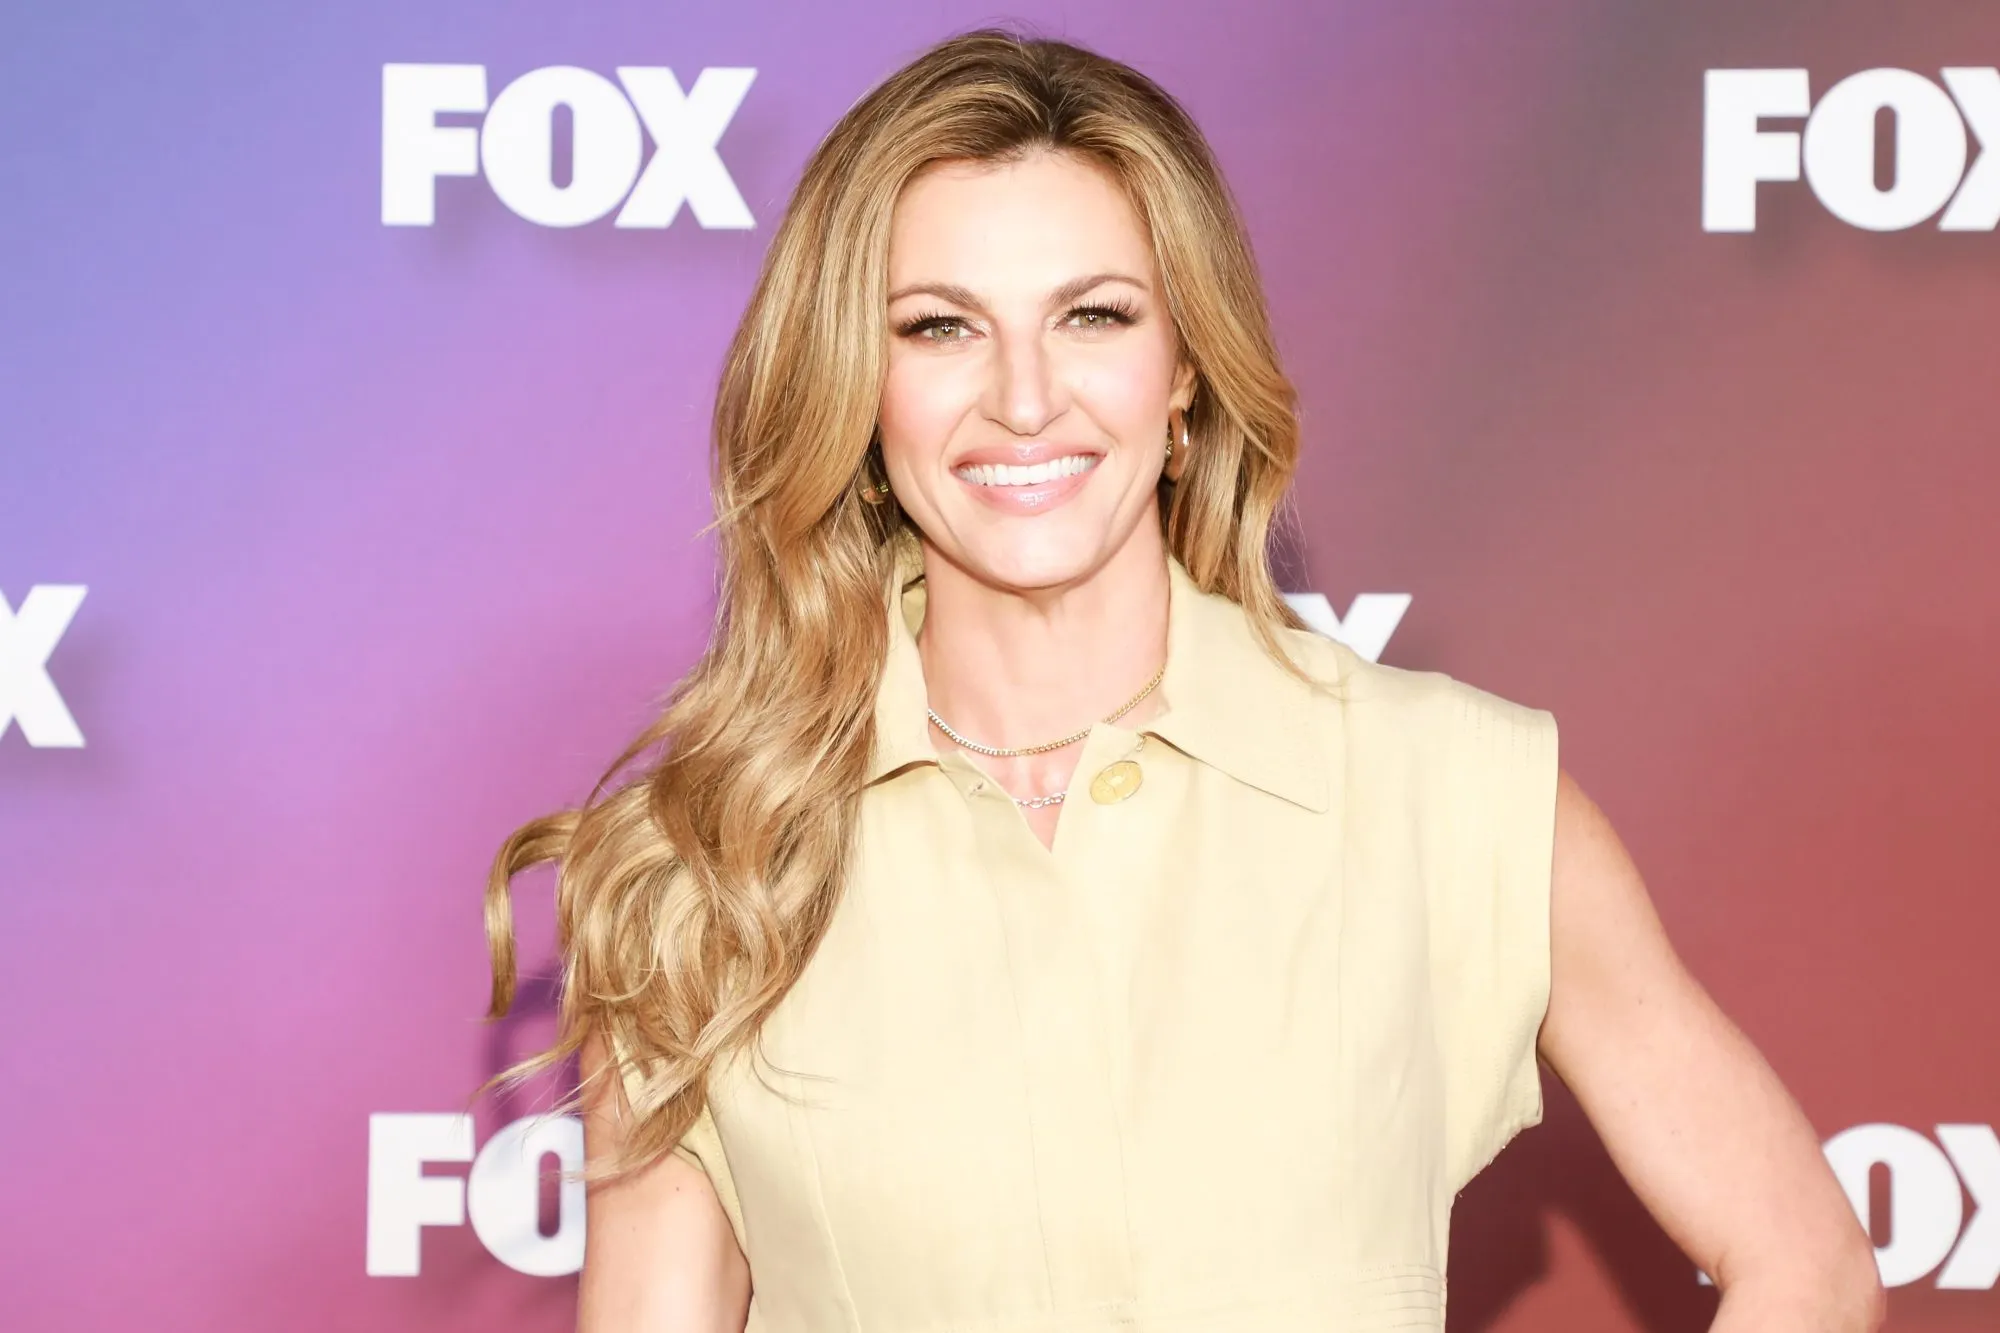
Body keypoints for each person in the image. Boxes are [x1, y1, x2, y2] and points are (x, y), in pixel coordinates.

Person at [480, 27, 1884, 1333]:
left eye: (1093, 316)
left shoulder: (1450, 798)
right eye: (940, 327)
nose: (1025, 397)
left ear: (1188, 375)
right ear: (859, 391)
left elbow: (1804, 1260)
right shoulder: (704, 867)